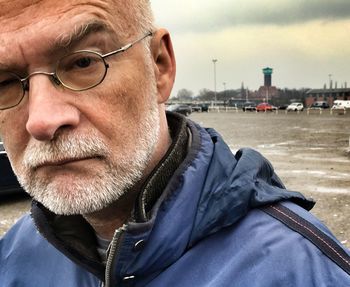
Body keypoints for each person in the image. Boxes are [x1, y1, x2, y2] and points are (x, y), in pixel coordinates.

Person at [0, 1, 349, 286]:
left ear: (160, 68)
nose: (41, 121)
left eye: (84, 62)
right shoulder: (14, 256)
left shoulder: (305, 272)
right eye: (4, 83)